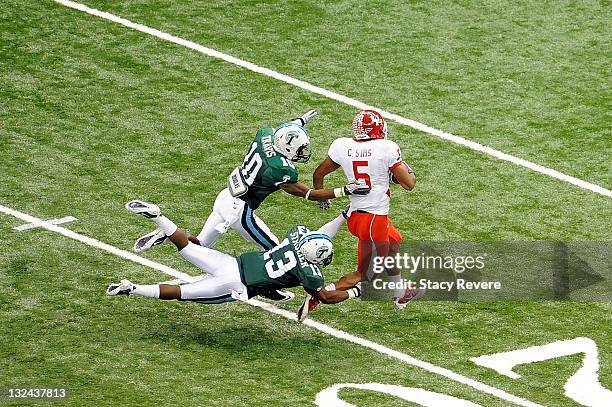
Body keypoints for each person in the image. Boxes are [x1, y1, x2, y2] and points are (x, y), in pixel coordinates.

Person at [132, 110, 369, 302]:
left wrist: (299, 122)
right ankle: (267, 288)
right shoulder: (281, 169)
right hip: (239, 211)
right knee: (280, 250)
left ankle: (166, 229)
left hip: (225, 196)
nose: (300, 153)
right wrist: (343, 191)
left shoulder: (265, 134)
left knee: (201, 246)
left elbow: (280, 130)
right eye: (298, 149)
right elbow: (306, 193)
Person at [107, 200, 360, 308]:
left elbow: (320, 234)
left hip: (233, 263)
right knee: (184, 292)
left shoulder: (298, 235)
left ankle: (160, 217)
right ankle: (133, 288)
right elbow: (325, 297)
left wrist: (342, 216)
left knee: (189, 248)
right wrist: (356, 291)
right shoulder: (310, 273)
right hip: (237, 283)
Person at [297, 110, 417, 321]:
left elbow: (318, 174)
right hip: (374, 220)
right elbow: (409, 184)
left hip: (356, 216)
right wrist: (406, 169)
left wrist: (322, 197)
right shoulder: (386, 148)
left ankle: (400, 292)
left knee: (395, 243)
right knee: (366, 276)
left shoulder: (343, 146)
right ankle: (319, 293)